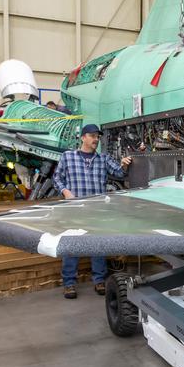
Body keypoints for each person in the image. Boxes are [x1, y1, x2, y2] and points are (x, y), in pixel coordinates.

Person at [52, 123, 133, 299]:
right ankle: (69, 284)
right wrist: (66, 192)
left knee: (98, 246)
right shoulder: (68, 156)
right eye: (92, 136)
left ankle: (99, 280)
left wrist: (125, 163)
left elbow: (119, 173)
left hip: (97, 211)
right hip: (75, 210)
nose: (96, 139)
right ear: (83, 137)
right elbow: (57, 178)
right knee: (72, 246)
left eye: (97, 137)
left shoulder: (103, 159)